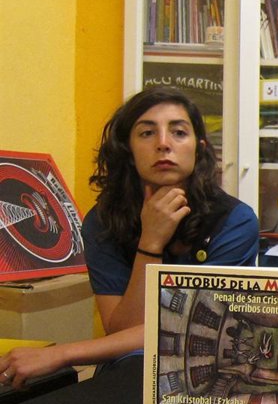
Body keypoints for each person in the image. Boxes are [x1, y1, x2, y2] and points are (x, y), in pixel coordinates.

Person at [0, 87, 259, 387]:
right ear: (128, 151)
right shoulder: (102, 222)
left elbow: (189, 330)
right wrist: (151, 242)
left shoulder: (235, 221)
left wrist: (63, 353)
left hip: (205, 368)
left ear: (199, 149)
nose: (163, 143)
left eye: (178, 132)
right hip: (130, 367)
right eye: (147, 133)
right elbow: (124, 331)